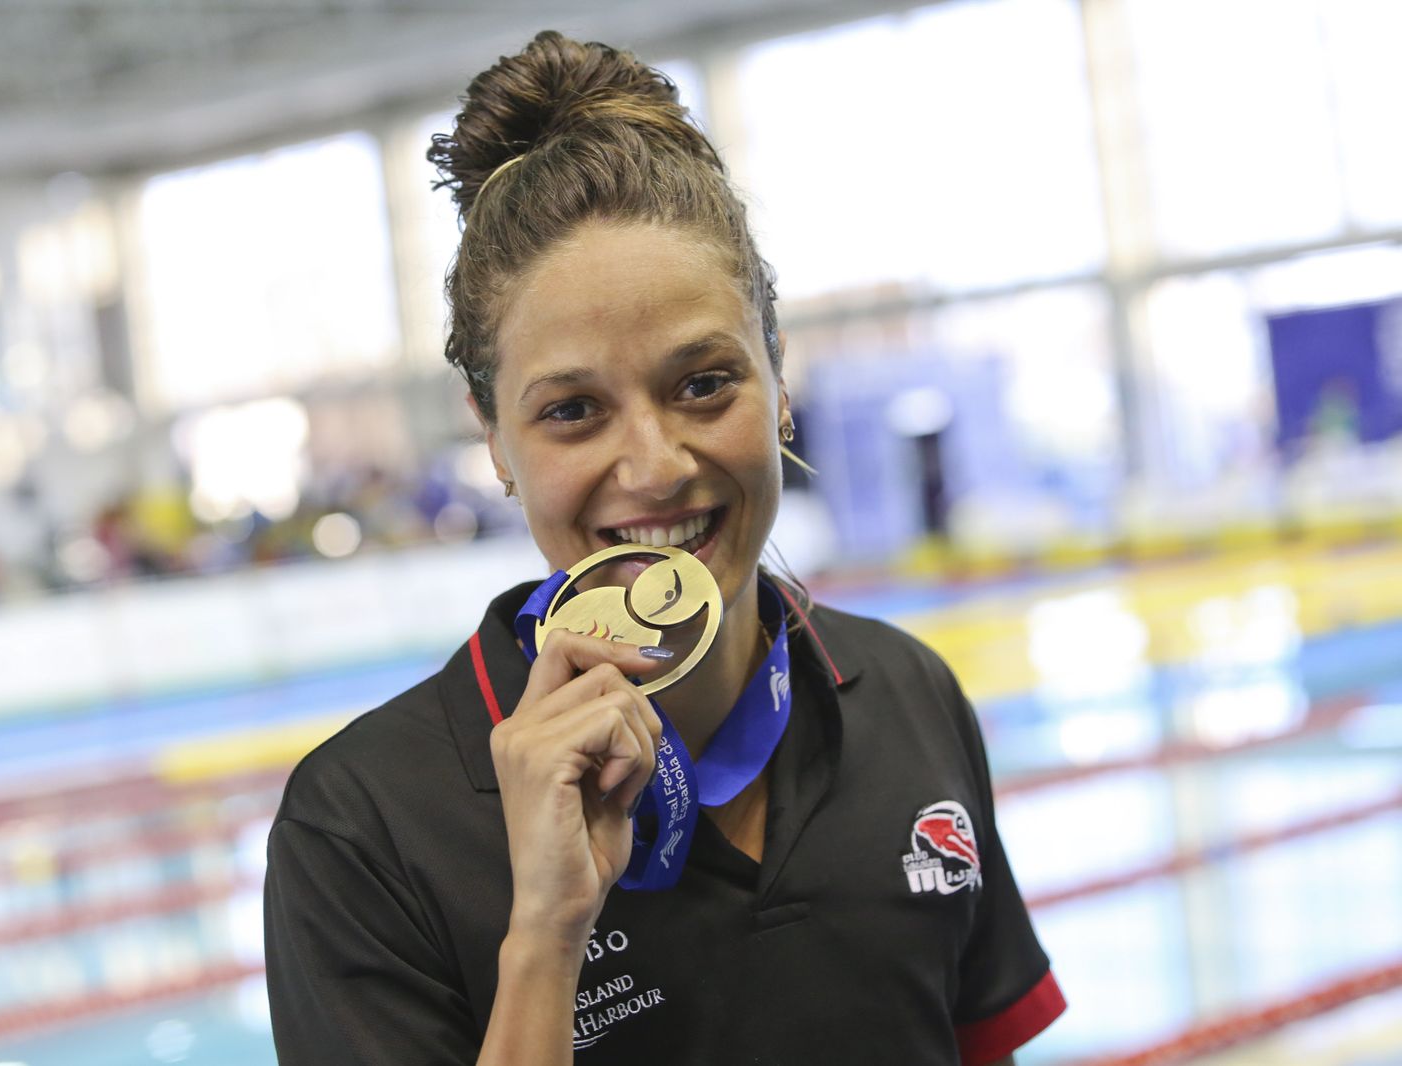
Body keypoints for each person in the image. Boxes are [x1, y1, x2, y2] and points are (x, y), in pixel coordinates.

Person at [264, 30, 1066, 1065]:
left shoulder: (904, 694)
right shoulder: (364, 830)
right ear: (492, 435)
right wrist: (546, 935)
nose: (651, 466)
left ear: (777, 380)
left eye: (702, 383)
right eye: (571, 410)